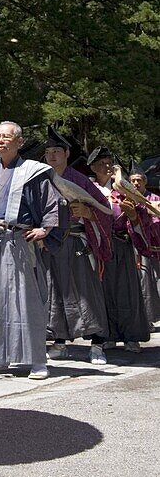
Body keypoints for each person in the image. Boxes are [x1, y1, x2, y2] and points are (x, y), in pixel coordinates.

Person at [0, 121, 64, 380]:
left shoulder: (32, 172)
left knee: (26, 300)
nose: (1, 141)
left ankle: (38, 360)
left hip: (19, 240)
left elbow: (54, 203)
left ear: (19, 141)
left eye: (7, 137)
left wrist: (45, 230)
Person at [43, 128, 112, 365]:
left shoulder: (80, 179)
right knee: (55, 291)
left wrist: (88, 212)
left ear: (66, 153)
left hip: (78, 242)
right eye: (48, 152)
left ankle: (97, 344)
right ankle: (59, 342)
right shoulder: (43, 179)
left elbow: (106, 209)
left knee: (87, 291)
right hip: (52, 243)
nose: (52, 156)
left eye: (56, 151)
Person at [87, 146, 150, 353]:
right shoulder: (90, 188)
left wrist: (132, 216)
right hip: (98, 244)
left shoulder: (122, 189)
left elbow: (140, 215)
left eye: (108, 163)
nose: (105, 167)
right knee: (103, 292)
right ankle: (107, 335)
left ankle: (131, 336)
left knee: (127, 291)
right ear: (93, 167)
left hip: (122, 243)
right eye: (100, 164)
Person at [129, 165, 160, 327]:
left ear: (145, 182)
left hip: (156, 247)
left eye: (138, 180)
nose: (135, 184)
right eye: (132, 181)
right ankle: (147, 320)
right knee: (144, 285)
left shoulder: (155, 199)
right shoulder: (127, 200)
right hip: (138, 248)